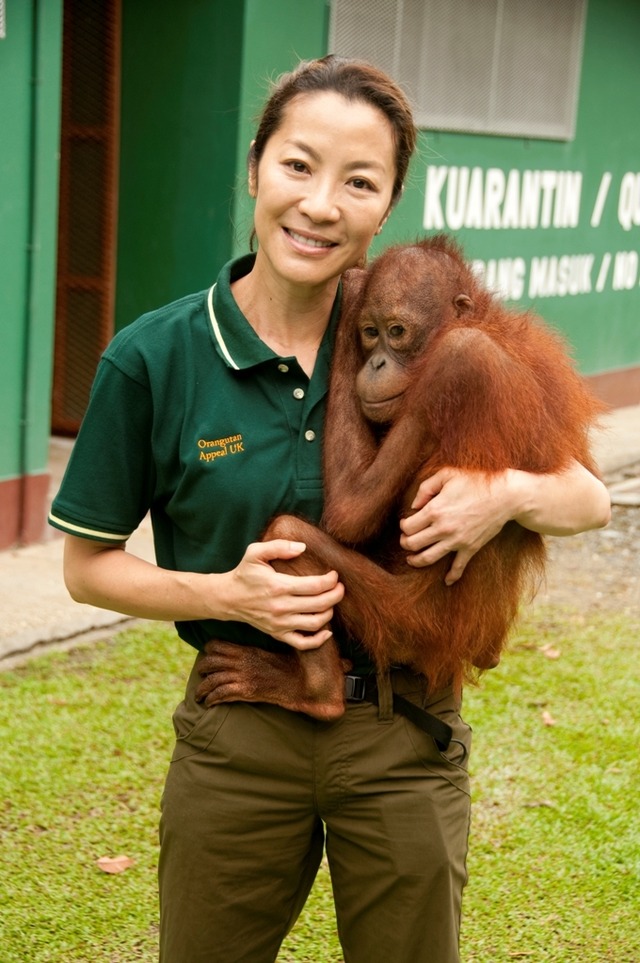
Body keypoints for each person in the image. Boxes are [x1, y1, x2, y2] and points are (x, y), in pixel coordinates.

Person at [49, 56, 610, 963]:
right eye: (297, 165)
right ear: (256, 169)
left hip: (406, 729)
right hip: (243, 725)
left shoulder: (425, 327)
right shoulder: (153, 358)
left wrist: (504, 494)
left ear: (384, 208)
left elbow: (587, 496)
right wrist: (227, 595)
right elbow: (85, 569)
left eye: (358, 181)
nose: (319, 204)